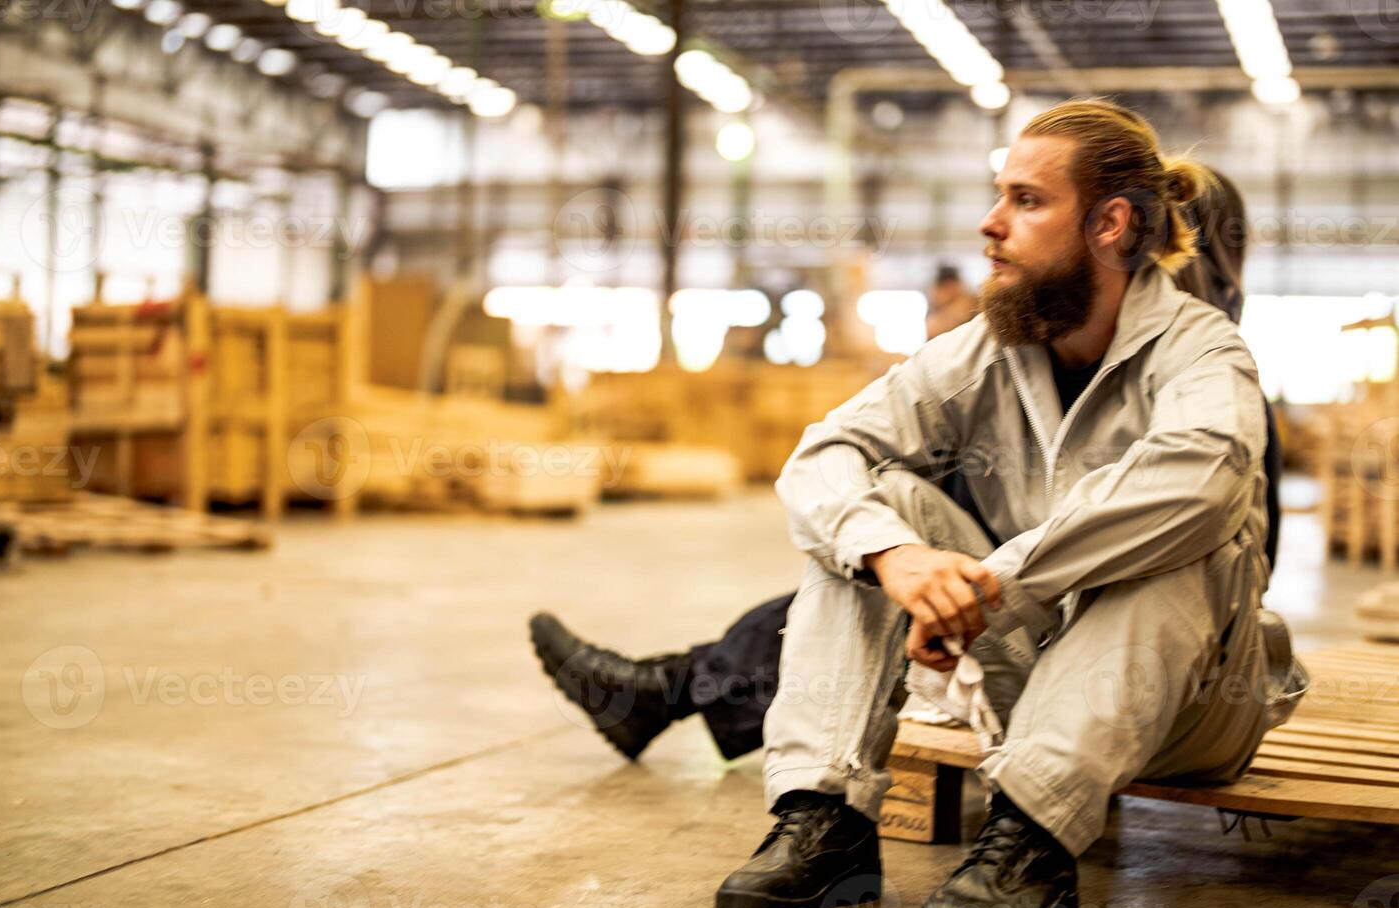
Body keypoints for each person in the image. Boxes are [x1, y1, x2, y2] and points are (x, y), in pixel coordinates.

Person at [534, 99, 1307, 908]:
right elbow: (824, 452)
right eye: (997, 197)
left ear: (1109, 223)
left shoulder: (1203, 352)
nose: (990, 223)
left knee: (1173, 536)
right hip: (1041, 673)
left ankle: (1032, 846)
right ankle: (825, 820)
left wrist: (994, 584)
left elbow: (1194, 485)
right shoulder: (989, 348)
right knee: (866, 514)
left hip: (1190, 704)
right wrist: (897, 558)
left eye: (1025, 200)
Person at [531, 167, 1280, 770]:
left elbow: (1232, 555)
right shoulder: (1037, 360)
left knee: (919, 585)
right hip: (1021, 606)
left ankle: (666, 689)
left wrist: (994, 574)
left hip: (1122, 643)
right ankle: (676, 692)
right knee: (874, 557)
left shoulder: (1207, 384)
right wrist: (904, 552)